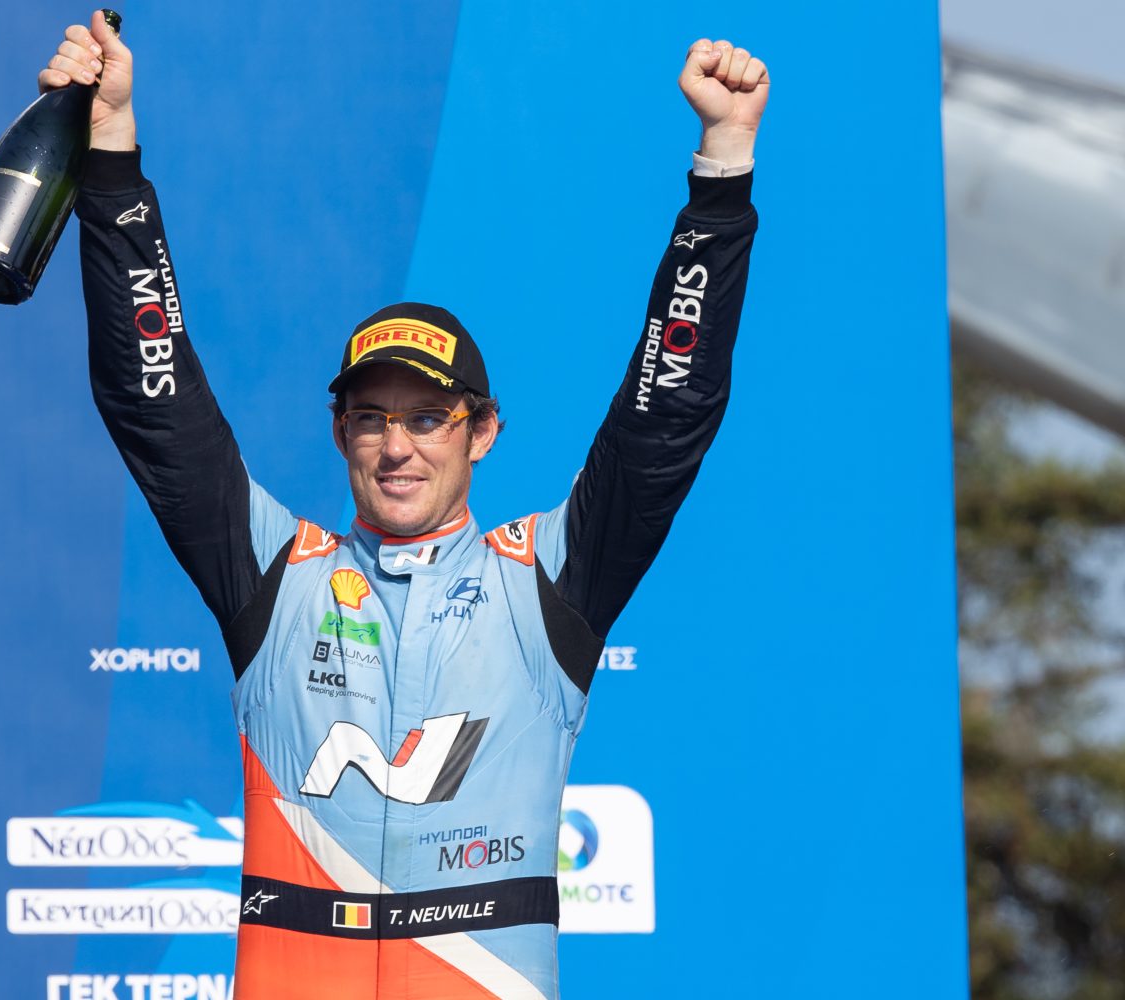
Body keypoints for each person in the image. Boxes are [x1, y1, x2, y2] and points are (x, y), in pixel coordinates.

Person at [45, 12, 767, 999]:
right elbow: (153, 404)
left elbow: (664, 419)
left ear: (483, 431)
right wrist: (111, 157)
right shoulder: (278, 576)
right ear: (338, 432)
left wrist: (721, 172)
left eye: (428, 417)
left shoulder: (544, 580)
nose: (396, 446)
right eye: (371, 418)